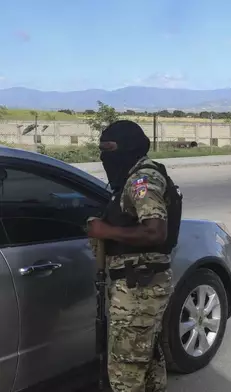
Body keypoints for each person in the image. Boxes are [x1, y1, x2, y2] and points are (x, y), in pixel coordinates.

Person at [87, 120, 182, 392]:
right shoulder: (132, 177)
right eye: (101, 149)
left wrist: (105, 230)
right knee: (146, 360)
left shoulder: (143, 179)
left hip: (138, 289)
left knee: (126, 373)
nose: (104, 156)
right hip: (140, 285)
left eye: (109, 149)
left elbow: (155, 232)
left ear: (128, 148)